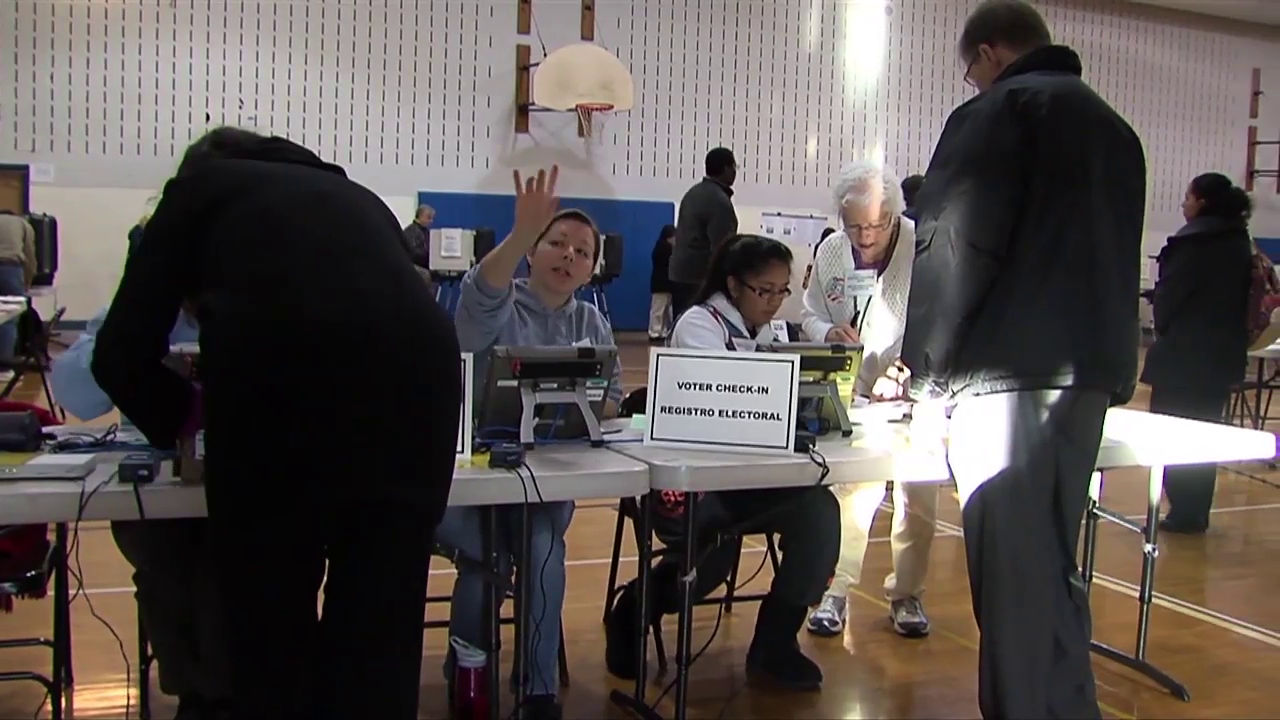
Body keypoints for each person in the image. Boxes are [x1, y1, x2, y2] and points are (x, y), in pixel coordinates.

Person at [88, 126, 462, 720]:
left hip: (284, 389)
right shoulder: (360, 198)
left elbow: (117, 353)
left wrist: (189, 414)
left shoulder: (198, 189)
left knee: (271, 628)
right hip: (424, 395)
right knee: (379, 635)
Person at [899, 2, 1146, 718]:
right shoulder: (1114, 128)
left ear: (988, 53)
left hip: (1005, 378)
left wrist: (927, 372)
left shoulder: (996, 113)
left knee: (1011, 580)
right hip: (1089, 373)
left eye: (970, 70)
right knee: (1050, 565)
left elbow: (954, 245)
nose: (971, 83)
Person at [606, 234, 841, 691]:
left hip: (754, 478)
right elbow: (728, 402)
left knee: (820, 514)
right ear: (733, 286)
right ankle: (635, 607)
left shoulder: (767, 331)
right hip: (692, 483)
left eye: (781, 291)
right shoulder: (699, 324)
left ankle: (775, 643)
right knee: (712, 560)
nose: (774, 302)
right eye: (764, 290)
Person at [440, 167, 622, 720]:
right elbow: (482, 289)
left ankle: (538, 692)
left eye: (582, 251)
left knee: (544, 545)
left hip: (547, 480)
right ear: (530, 251)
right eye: (556, 242)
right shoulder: (493, 304)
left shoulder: (592, 321)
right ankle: (469, 669)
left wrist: (591, 405)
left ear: (592, 268)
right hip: (467, 483)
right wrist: (520, 229)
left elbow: (611, 398)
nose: (569, 255)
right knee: (487, 556)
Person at [52, 293, 229, 720]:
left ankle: (217, 692)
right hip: (157, 484)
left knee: (230, 568)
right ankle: (203, 694)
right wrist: (132, 334)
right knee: (167, 568)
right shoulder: (139, 308)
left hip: (241, 484)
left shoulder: (251, 301)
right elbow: (77, 396)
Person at [800, 161, 937, 640]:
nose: (865, 236)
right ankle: (836, 592)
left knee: (917, 498)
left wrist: (911, 369)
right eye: (855, 225)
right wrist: (826, 330)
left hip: (914, 389)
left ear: (895, 215)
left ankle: (907, 594)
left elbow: (941, 317)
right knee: (851, 493)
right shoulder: (832, 251)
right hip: (855, 390)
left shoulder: (923, 245)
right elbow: (810, 312)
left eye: (877, 225)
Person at [1142, 173, 1253, 534]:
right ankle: (1195, 509)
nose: (1184, 204)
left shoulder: (1193, 243)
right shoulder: (1238, 240)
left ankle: (1182, 509)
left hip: (1183, 355)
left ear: (1201, 202)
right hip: (1221, 354)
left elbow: (1172, 299)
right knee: (1205, 431)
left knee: (1172, 429)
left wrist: (1159, 311)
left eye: (1188, 197)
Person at [670, 147, 738, 318]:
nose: (735, 173)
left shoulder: (692, 193)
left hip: (680, 274)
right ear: (726, 169)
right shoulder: (718, 200)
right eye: (734, 168)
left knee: (682, 323)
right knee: (700, 327)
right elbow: (723, 247)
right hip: (700, 279)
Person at [0, 211, 36, 362]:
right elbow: (30, 257)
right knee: (9, 316)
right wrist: (27, 281)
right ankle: (4, 364)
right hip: (11, 268)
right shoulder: (22, 224)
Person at [648, 224, 676, 342]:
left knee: (662, 310)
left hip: (663, 284)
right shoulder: (664, 248)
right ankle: (655, 331)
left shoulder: (660, 247)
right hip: (662, 284)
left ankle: (660, 331)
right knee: (659, 310)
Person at [402, 204, 435, 269]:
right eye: (428, 218)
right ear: (420, 216)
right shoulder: (410, 231)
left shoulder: (425, 231)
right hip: (415, 267)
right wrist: (430, 256)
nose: (431, 221)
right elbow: (413, 253)